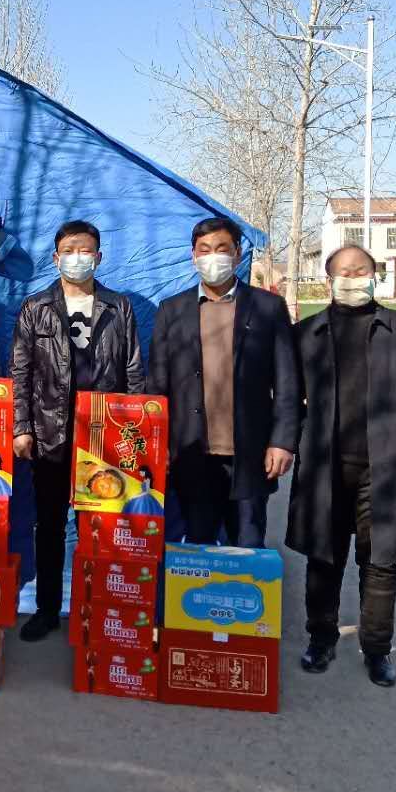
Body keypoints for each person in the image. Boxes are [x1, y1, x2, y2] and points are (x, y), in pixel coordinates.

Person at [287, 245, 396, 687]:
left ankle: (377, 648)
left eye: (361, 271)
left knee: (379, 561)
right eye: (344, 271)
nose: (353, 278)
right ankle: (321, 638)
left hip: (384, 468)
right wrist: (302, 436)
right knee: (323, 558)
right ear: (328, 279)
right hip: (325, 466)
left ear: (376, 277)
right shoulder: (307, 333)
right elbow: (287, 394)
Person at [10, 219, 145, 642]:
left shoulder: (118, 307)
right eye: (69, 250)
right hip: (50, 432)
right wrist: (21, 427)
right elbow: (21, 372)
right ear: (55, 258)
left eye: (85, 250)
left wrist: (133, 432)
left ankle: (96, 609)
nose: (77, 258)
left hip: (103, 436)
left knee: (100, 526)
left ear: (98, 257)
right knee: (49, 525)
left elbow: (133, 370)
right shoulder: (36, 307)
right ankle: (47, 610)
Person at [148, 216, 298, 547]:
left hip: (251, 453)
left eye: (221, 248)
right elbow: (157, 384)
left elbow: (287, 380)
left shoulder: (267, 307)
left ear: (237, 253)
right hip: (192, 455)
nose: (212, 257)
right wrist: (157, 446)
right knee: (198, 546)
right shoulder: (172, 310)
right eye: (204, 250)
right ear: (193, 256)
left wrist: (282, 441)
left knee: (248, 545)